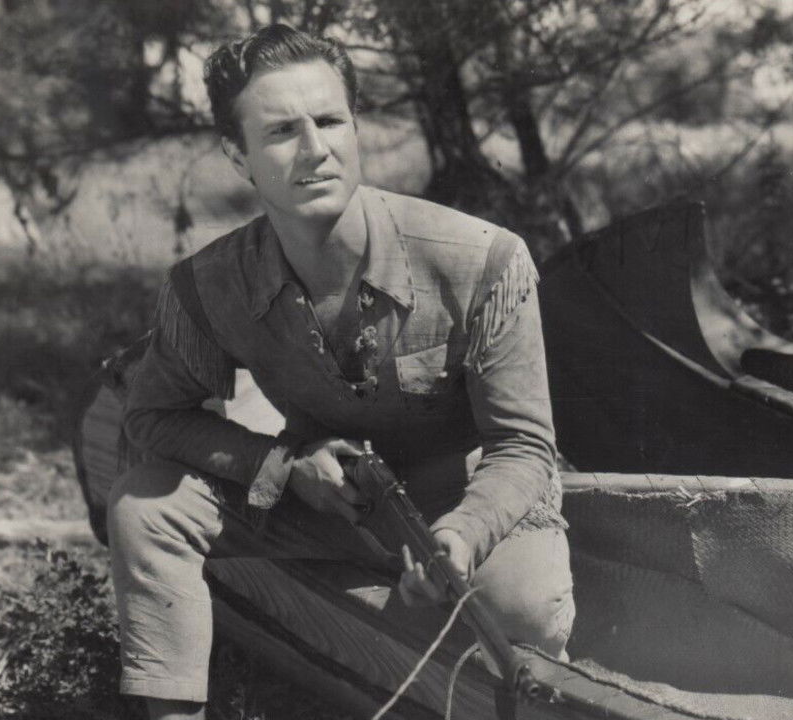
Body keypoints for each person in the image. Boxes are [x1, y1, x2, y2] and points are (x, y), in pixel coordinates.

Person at [106, 24, 574, 720]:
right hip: (323, 502)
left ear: (355, 127)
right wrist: (283, 467)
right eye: (281, 131)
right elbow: (152, 418)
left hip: (466, 502)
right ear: (237, 154)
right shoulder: (208, 285)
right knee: (146, 505)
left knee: (521, 611)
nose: (315, 149)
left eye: (329, 121)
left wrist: (463, 535)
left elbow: (525, 445)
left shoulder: (482, 261)